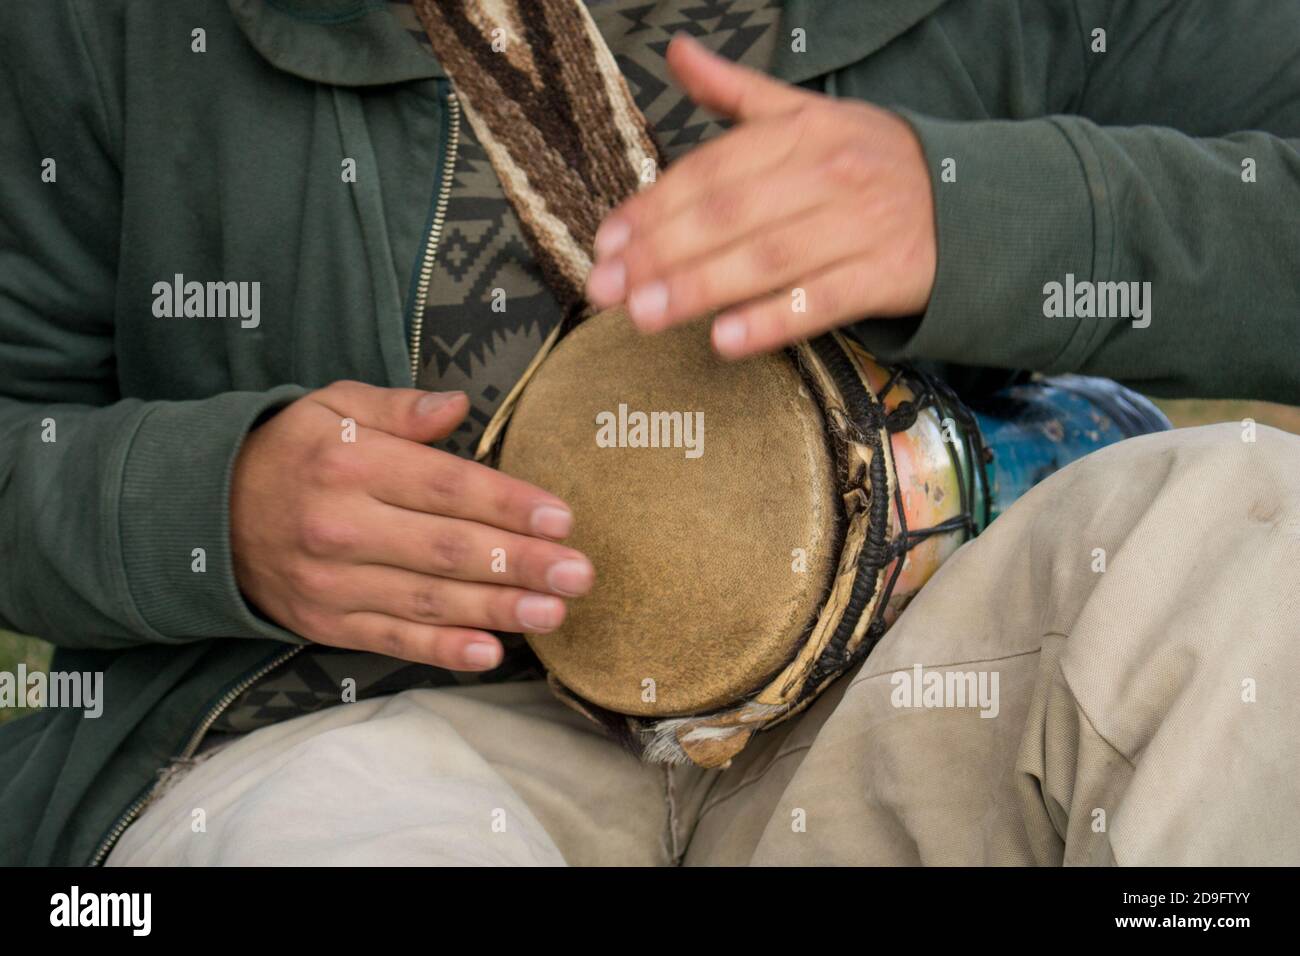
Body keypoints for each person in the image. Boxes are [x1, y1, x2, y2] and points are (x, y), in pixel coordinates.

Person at [0, 0, 1296, 866]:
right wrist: (208, 507)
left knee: (1255, 543)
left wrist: (978, 212)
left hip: (912, 673)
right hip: (356, 741)